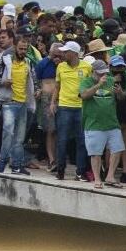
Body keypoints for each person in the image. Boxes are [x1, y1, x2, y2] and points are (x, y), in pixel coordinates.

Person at [79, 57, 124, 189]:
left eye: (105, 72)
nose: (104, 75)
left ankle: (110, 176)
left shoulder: (111, 80)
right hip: (94, 124)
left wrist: (120, 92)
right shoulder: (86, 82)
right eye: (100, 73)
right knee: (96, 153)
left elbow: (122, 98)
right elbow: (84, 95)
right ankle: (97, 179)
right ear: (94, 72)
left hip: (112, 123)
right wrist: (98, 85)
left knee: (117, 149)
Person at [0, 30, 35, 174]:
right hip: (9, 103)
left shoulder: (28, 62)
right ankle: (2, 161)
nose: (23, 51)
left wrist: (35, 91)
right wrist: (2, 82)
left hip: (23, 103)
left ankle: (17, 165)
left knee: (19, 138)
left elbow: (32, 81)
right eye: (21, 49)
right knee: (8, 134)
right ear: (15, 47)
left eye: (25, 49)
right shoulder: (5, 62)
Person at [52, 40, 91, 181]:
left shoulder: (87, 67)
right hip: (64, 106)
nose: (63, 53)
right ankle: (60, 170)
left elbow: (90, 85)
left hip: (81, 107)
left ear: (74, 53)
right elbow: (57, 86)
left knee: (81, 140)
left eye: (66, 51)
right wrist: (53, 102)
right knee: (62, 140)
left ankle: (80, 172)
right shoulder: (61, 67)